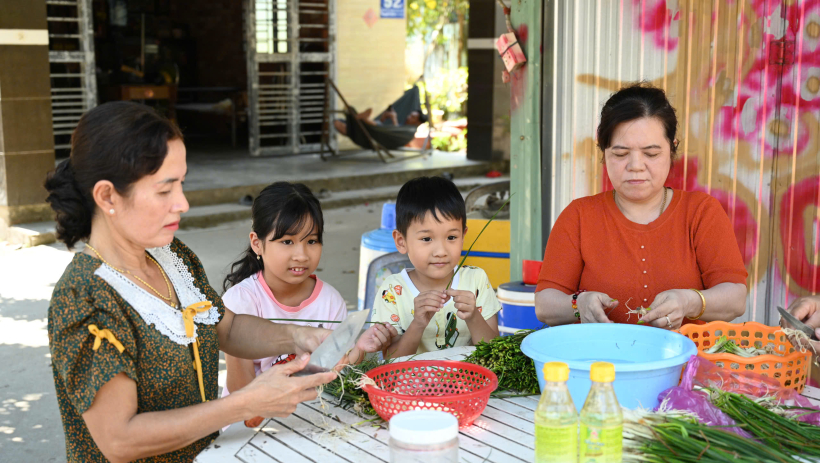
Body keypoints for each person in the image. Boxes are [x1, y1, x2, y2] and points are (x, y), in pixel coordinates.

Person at [44, 102, 393, 463]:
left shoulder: (170, 257)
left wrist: (299, 335)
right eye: (165, 191)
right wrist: (246, 402)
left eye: (182, 184)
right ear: (107, 196)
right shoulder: (85, 296)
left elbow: (227, 326)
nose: (182, 203)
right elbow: (119, 440)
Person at [535, 83, 748, 331]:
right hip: (601, 367)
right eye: (621, 153)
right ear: (604, 152)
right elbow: (544, 304)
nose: (636, 165)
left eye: (651, 153)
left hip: (684, 367)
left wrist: (689, 301)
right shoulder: (579, 215)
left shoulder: (701, 212)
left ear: (672, 148)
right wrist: (578, 304)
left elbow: (735, 298)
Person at [220, 181, 397, 427]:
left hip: (308, 417)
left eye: (311, 241)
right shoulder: (239, 303)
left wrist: (359, 347)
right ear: (257, 243)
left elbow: (332, 366)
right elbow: (243, 402)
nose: (302, 255)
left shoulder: (330, 301)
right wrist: (235, 349)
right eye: (287, 242)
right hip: (249, 423)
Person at [372, 177, 502, 357]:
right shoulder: (392, 291)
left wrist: (474, 317)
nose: (441, 251)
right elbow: (390, 361)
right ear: (401, 242)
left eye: (451, 237)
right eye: (426, 239)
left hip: (466, 382)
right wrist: (418, 323)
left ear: (463, 236)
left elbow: (494, 352)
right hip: (411, 383)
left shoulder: (475, 280)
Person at [332, 106, 428, 136]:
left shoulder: (410, 131)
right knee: (338, 123)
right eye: (410, 115)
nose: (408, 117)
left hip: (378, 132)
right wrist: (384, 117)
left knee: (375, 124)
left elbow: (394, 134)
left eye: (413, 117)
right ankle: (360, 118)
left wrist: (394, 118)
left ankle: (360, 117)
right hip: (378, 131)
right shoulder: (405, 125)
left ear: (418, 122)